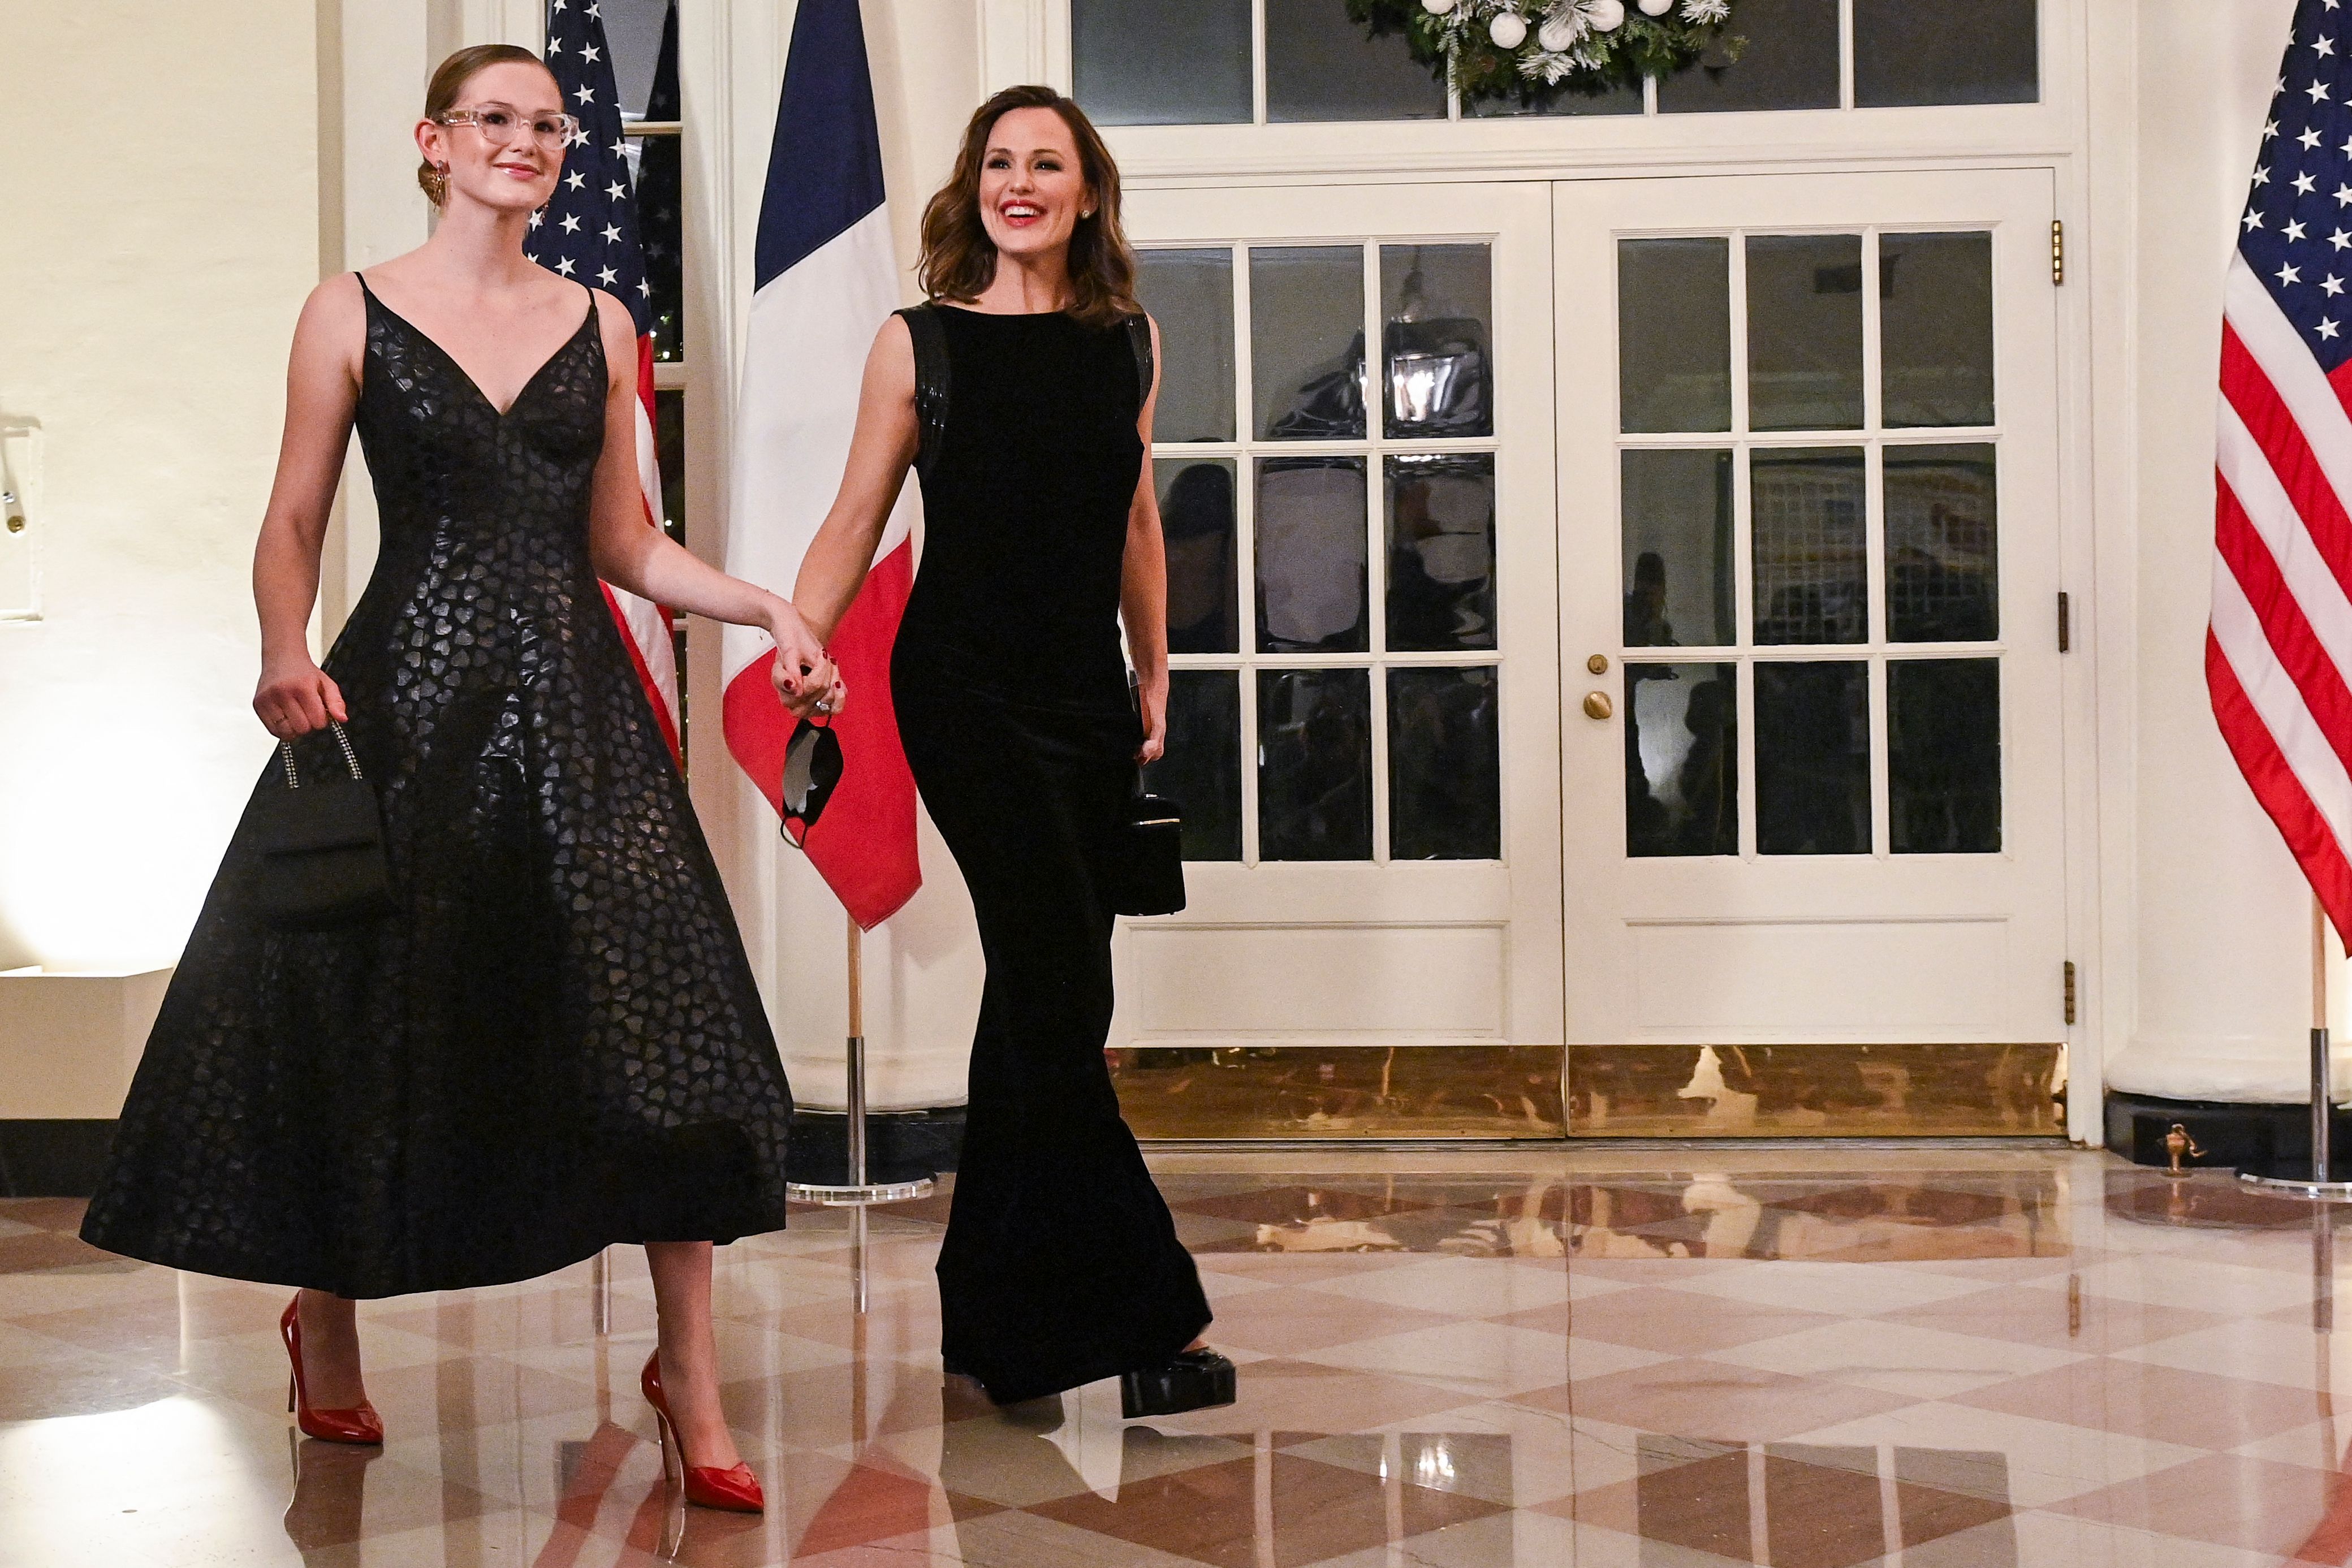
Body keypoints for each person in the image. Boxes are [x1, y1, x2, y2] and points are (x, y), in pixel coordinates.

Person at [77, 45, 842, 1514]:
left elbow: (624, 542)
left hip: (576, 712)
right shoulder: (347, 311)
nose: (528, 142)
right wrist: (280, 649)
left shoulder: (607, 320)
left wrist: (767, 606)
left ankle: (688, 1368)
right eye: (496, 120)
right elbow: (293, 515)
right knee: (357, 1013)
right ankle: (331, 1315)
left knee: (665, 1021)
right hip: (404, 706)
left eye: (547, 126)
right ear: (436, 142)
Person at [789, 84, 1234, 1416]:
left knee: (1053, 995)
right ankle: (1146, 1320)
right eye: (998, 162)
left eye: (1047, 163)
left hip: (1083, 696)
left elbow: (1134, 519)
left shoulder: (1126, 342)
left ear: (1087, 192)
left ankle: (991, 1321)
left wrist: (1153, 661)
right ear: (973, 187)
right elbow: (856, 514)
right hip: (965, 692)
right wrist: (794, 645)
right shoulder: (916, 342)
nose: (1019, 183)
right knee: (1053, 980)